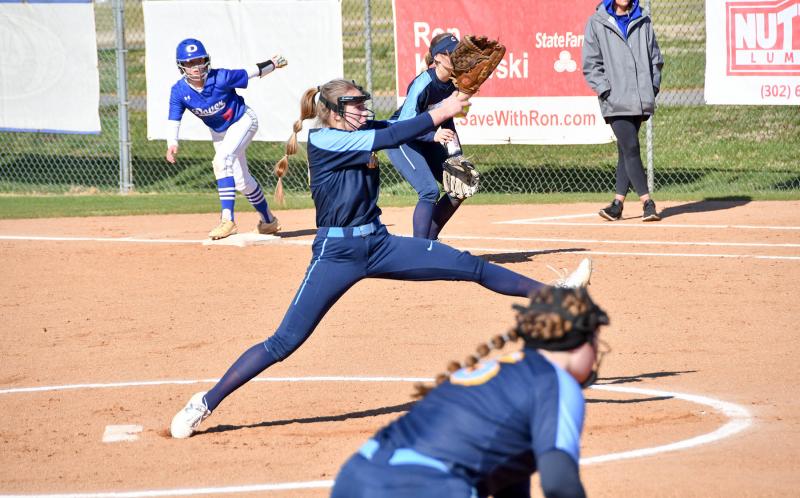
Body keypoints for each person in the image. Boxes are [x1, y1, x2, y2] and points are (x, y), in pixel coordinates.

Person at [170, 79, 594, 439]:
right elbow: (388, 137)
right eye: (354, 104)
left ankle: (556, 294)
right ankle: (204, 403)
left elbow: (397, 129)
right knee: (284, 342)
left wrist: (439, 122)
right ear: (334, 112)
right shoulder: (325, 138)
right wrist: (441, 109)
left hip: (379, 243)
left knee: (470, 266)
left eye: (361, 102)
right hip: (336, 253)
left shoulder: (358, 128)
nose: (363, 108)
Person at [330, 286, 609, 498]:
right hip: (424, 487)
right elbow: (559, 482)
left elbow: (511, 478)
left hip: (353, 478)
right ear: (578, 343)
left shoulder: (501, 374)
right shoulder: (555, 382)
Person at [165, 38, 287, 239]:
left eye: (199, 60)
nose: (196, 66)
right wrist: (172, 143)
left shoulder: (220, 77)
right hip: (220, 133)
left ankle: (227, 220)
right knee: (242, 182)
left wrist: (273, 63)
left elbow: (251, 71)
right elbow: (174, 118)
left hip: (243, 121)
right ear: (181, 66)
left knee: (221, 161)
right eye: (189, 63)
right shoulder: (179, 91)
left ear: (206, 60)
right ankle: (268, 221)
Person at [582, 0, 664, 222]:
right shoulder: (597, 22)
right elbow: (590, 63)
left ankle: (617, 205)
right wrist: (605, 90)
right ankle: (648, 202)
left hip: (639, 98)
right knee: (631, 146)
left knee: (625, 152)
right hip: (615, 100)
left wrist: (652, 87)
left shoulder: (643, 19)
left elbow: (655, 58)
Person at [385, 33, 468, 239]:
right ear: (438, 57)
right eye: (452, 54)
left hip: (432, 137)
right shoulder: (424, 82)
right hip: (401, 139)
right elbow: (405, 124)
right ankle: (419, 250)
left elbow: (448, 119)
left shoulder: (454, 84)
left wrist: (455, 154)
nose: (457, 57)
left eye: (458, 53)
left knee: (460, 184)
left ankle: (429, 242)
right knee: (429, 191)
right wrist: (432, 136)